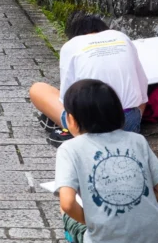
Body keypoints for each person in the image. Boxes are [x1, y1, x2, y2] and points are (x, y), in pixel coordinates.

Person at [54, 78, 158, 243]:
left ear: (70, 119)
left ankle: (77, 235)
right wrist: (139, 199)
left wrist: (93, 220)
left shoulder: (69, 149)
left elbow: (68, 203)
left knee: (64, 208)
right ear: (118, 113)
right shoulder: (137, 140)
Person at [30, 12, 148, 145]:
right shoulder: (122, 37)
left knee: (38, 89)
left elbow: (67, 102)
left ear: (74, 35)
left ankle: (75, 134)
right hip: (127, 124)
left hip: (88, 127)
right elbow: (143, 92)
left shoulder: (71, 46)